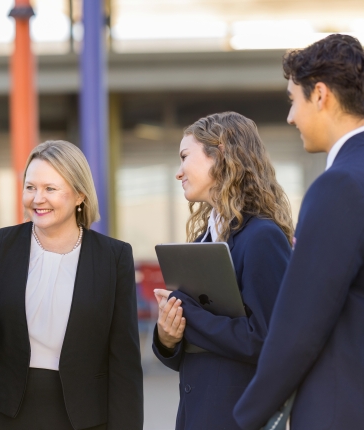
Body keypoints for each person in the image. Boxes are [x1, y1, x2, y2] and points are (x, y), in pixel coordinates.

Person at [233, 34, 364, 430]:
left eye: (292, 100)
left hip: (343, 413)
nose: (290, 117)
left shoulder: (342, 185)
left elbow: (299, 327)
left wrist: (245, 416)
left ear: (319, 95)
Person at [0, 140, 143, 429]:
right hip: (6, 410)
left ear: (80, 195)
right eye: (30, 187)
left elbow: (124, 358)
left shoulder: (113, 256)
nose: (37, 199)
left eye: (50, 189)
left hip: (84, 414)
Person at [152, 112, 294, 429]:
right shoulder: (204, 239)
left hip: (237, 417)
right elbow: (196, 350)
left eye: (185, 157)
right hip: (196, 415)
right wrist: (167, 335)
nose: (178, 172)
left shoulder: (262, 237)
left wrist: (187, 313)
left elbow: (266, 341)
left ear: (220, 155)